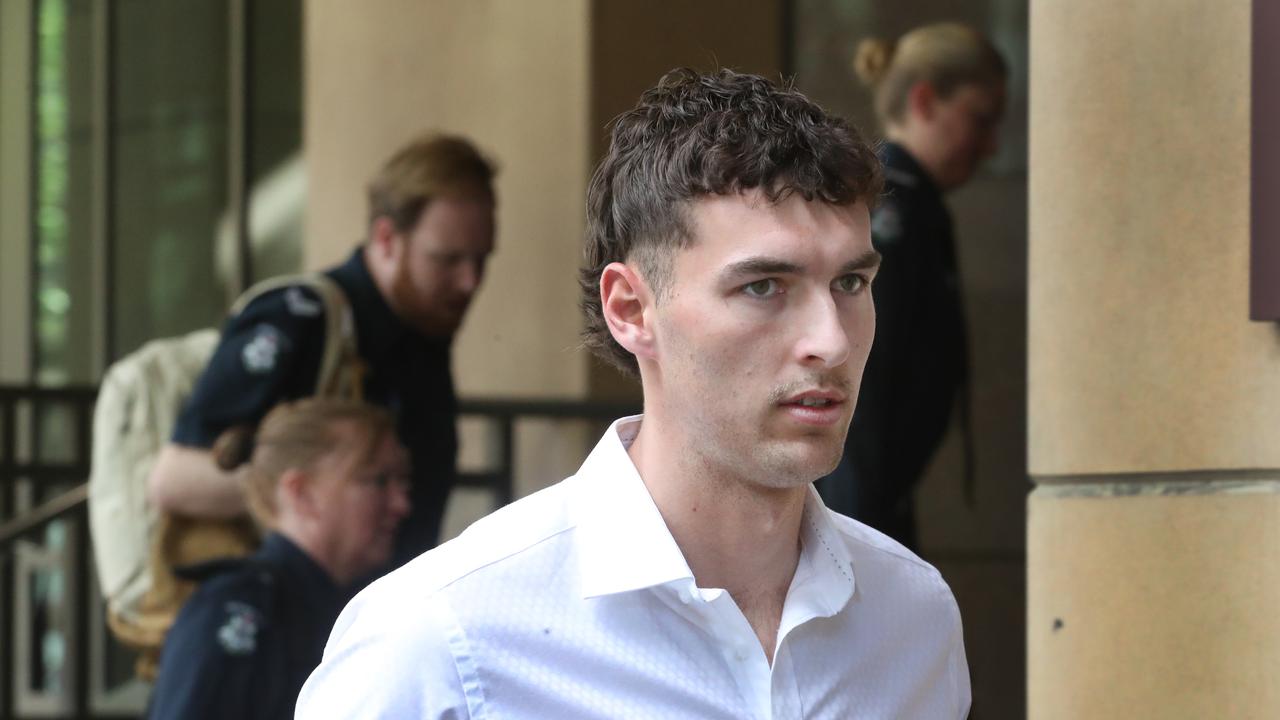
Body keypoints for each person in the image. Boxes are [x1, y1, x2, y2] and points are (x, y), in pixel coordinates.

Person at [296, 68, 970, 718]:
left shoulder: (913, 618)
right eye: (763, 286)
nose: (831, 340)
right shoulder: (442, 638)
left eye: (851, 284)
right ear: (630, 310)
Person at [148, 133, 496, 566]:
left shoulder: (425, 331)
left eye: (481, 260)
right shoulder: (296, 319)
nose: (470, 282)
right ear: (386, 238)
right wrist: (318, 490)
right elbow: (174, 479)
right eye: (447, 260)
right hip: (286, 618)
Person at [815, 23, 1007, 550]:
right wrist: (858, 522)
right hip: (860, 505)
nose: (990, 146)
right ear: (925, 100)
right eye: (980, 119)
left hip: (877, 499)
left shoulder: (910, 203)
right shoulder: (887, 211)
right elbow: (861, 374)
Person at [147, 399, 411, 720]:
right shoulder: (238, 609)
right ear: (301, 492)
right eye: (378, 481)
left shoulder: (363, 607)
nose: (401, 504)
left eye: (402, 481)